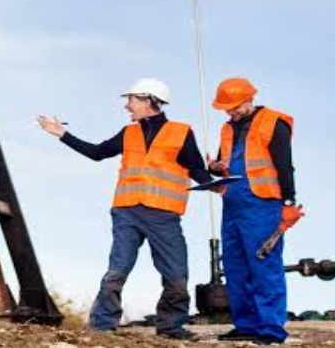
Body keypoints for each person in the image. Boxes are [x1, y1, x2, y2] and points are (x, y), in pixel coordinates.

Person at [37, 77, 215, 341]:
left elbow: (198, 170)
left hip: (163, 215)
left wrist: (220, 184)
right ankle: (102, 326)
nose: (127, 105)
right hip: (126, 212)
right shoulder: (128, 132)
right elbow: (97, 152)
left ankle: (170, 327)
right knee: (117, 271)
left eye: (131, 100)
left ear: (149, 101)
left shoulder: (181, 132)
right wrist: (62, 134)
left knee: (176, 276)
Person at [207, 77, 303, 345]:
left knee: (264, 265)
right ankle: (246, 324)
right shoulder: (227, 128)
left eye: (235, 107)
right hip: (233, 204)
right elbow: (226, 164)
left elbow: (285, 166)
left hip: (262, 205)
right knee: (236, 266)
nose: (231, 112)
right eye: (226, 108)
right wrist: (215, 168)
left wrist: (288, 202)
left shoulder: (274, 122)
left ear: (249, 99)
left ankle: (270, 329)